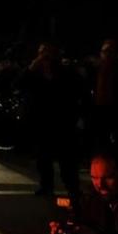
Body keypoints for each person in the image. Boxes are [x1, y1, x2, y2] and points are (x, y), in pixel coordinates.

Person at [24, 43, 81, 202]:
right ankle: (46, 185)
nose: (44, 56)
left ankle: (73, 188)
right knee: (43, 157)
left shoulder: (65, 72)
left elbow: (77, 91)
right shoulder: (36, 72)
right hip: (42, 121)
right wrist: (31, 67)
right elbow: (20, 84)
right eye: (41, 53)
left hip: (62, 121)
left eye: (47, 53)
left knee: (66, 159)